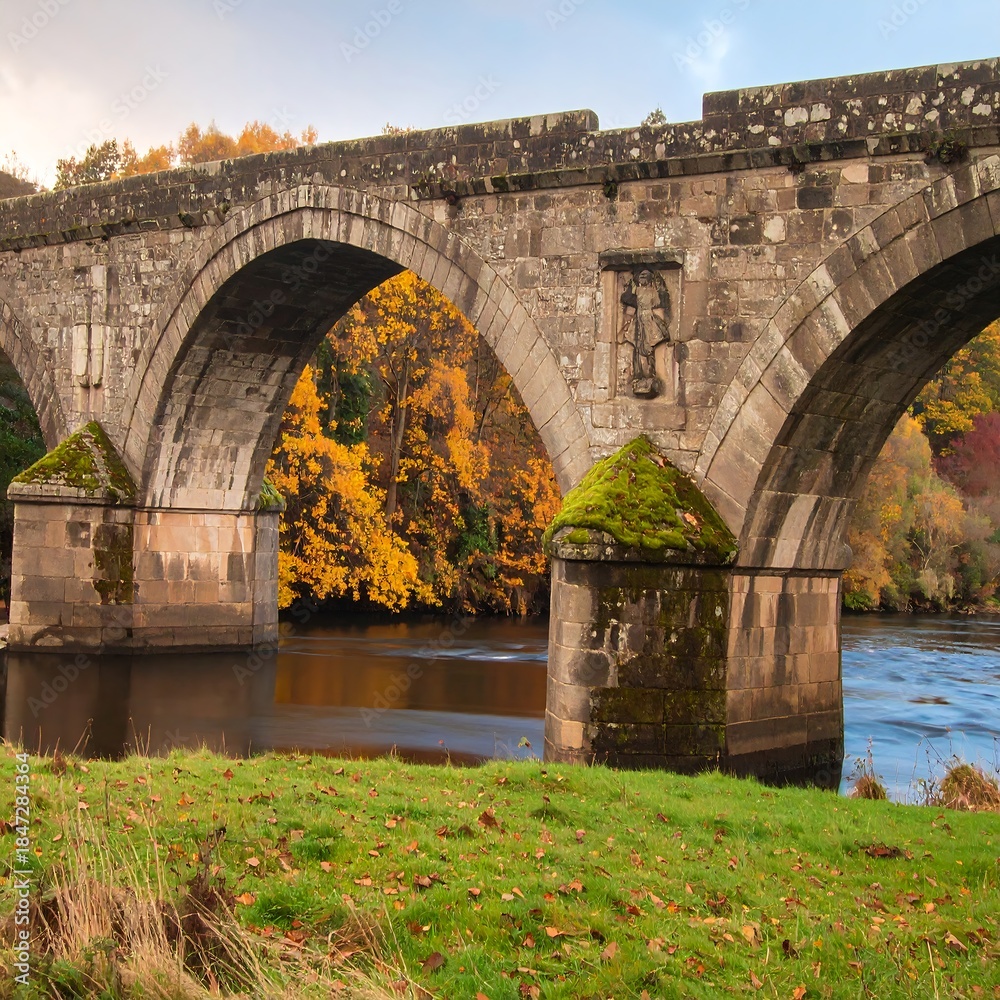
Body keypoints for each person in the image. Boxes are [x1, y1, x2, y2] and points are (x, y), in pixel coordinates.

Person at [620, 268, 671, 397]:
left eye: (645, 276)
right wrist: (631, 284)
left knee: (649, 348)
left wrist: (660, 284)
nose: (642, 279)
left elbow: (662, 300)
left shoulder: (653, 292)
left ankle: (650, 376)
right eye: (641, 276)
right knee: (638, 349)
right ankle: (639, 376)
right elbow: (626, 298)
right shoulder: (636, 290)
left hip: (649, 321)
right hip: (638, 322)